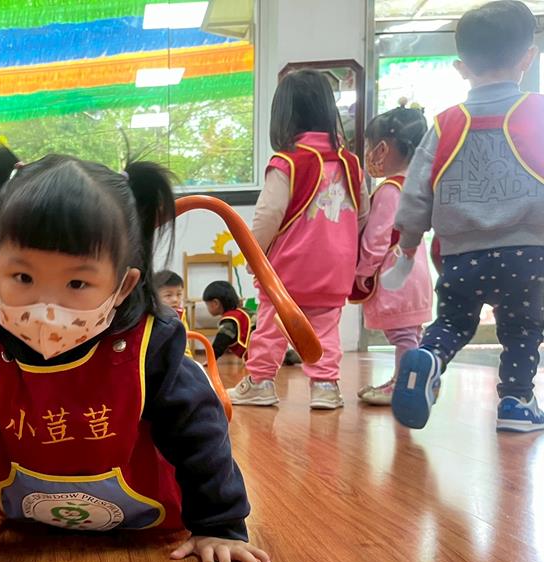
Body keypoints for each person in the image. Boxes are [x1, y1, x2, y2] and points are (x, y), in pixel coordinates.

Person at [0, 144, 270, 562]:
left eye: (77, 283)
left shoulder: (151, 342)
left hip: (147, 533)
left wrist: (220, 526)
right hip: (29, 531)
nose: (46, 307)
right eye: (23, 278)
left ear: (124, 285)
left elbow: (199, 432)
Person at [391, 0, 544, 432]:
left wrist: (407, 245)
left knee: (453, 321)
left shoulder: (445, 124)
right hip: (528, 254)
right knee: (523, 327)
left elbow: (415, 194)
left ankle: (430, 357)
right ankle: (515, 402)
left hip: (462, 256)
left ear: (461, 68)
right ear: (527, 58)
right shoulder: (538, 112)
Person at [231, 69, 369, 410]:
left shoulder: (287, 163)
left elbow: (267, 216)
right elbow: (363, 214)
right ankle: (325, 386)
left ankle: (260, 382)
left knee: (271, 325)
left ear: (284, 114)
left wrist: (254, 257)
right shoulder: (350, 164)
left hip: (288, 270)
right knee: (325, 328)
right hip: (335, 269)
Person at [353, 104, 433, 406]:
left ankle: (404, 384)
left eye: (372, 146)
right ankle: (402, 378)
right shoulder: (416, 186)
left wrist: (362, 271)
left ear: (385, 148)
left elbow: (377, 239)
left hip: (395, 276)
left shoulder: (390, 190)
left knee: (402, 335)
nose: (369, 153)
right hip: (415, 272)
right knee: (408, 333)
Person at [202, 280, 251, 359]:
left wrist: (210, 359)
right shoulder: (242, 313)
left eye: (207, 304)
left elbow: (220, 342)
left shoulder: (229, 320)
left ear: (215, 303)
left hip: (259, 353)